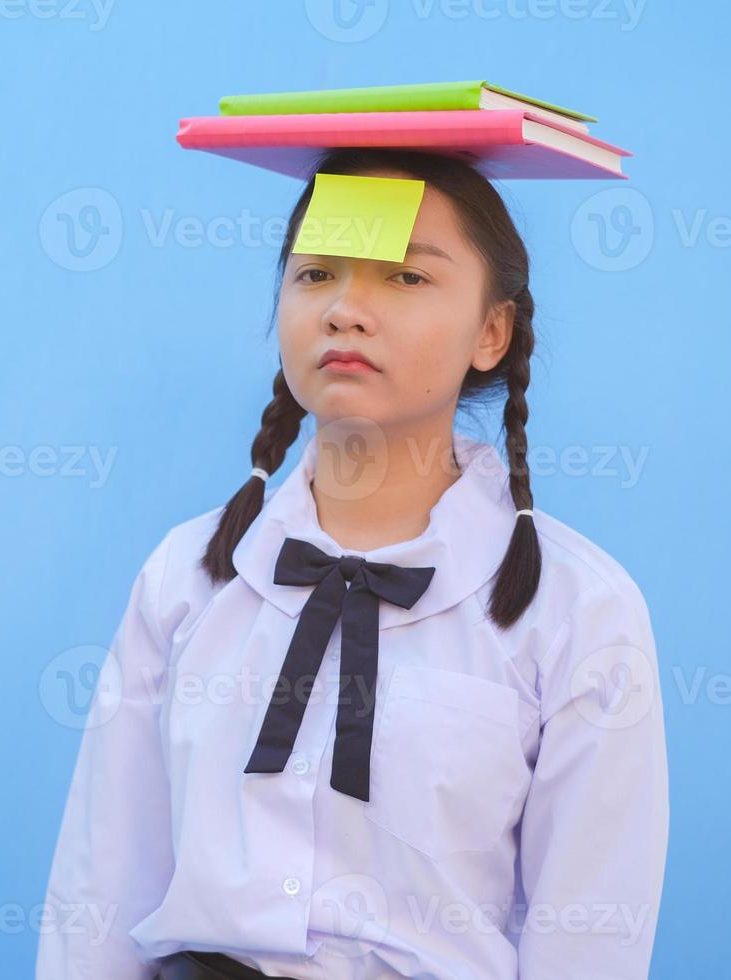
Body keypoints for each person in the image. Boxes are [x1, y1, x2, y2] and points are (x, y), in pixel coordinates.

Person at [35, 147, 669, 979]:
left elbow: (589, 937)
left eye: (405, 278)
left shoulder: (577, 609)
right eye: (316, 275)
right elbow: (102, 886)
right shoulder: (188, 574)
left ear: (492, 331)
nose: (346, 310)